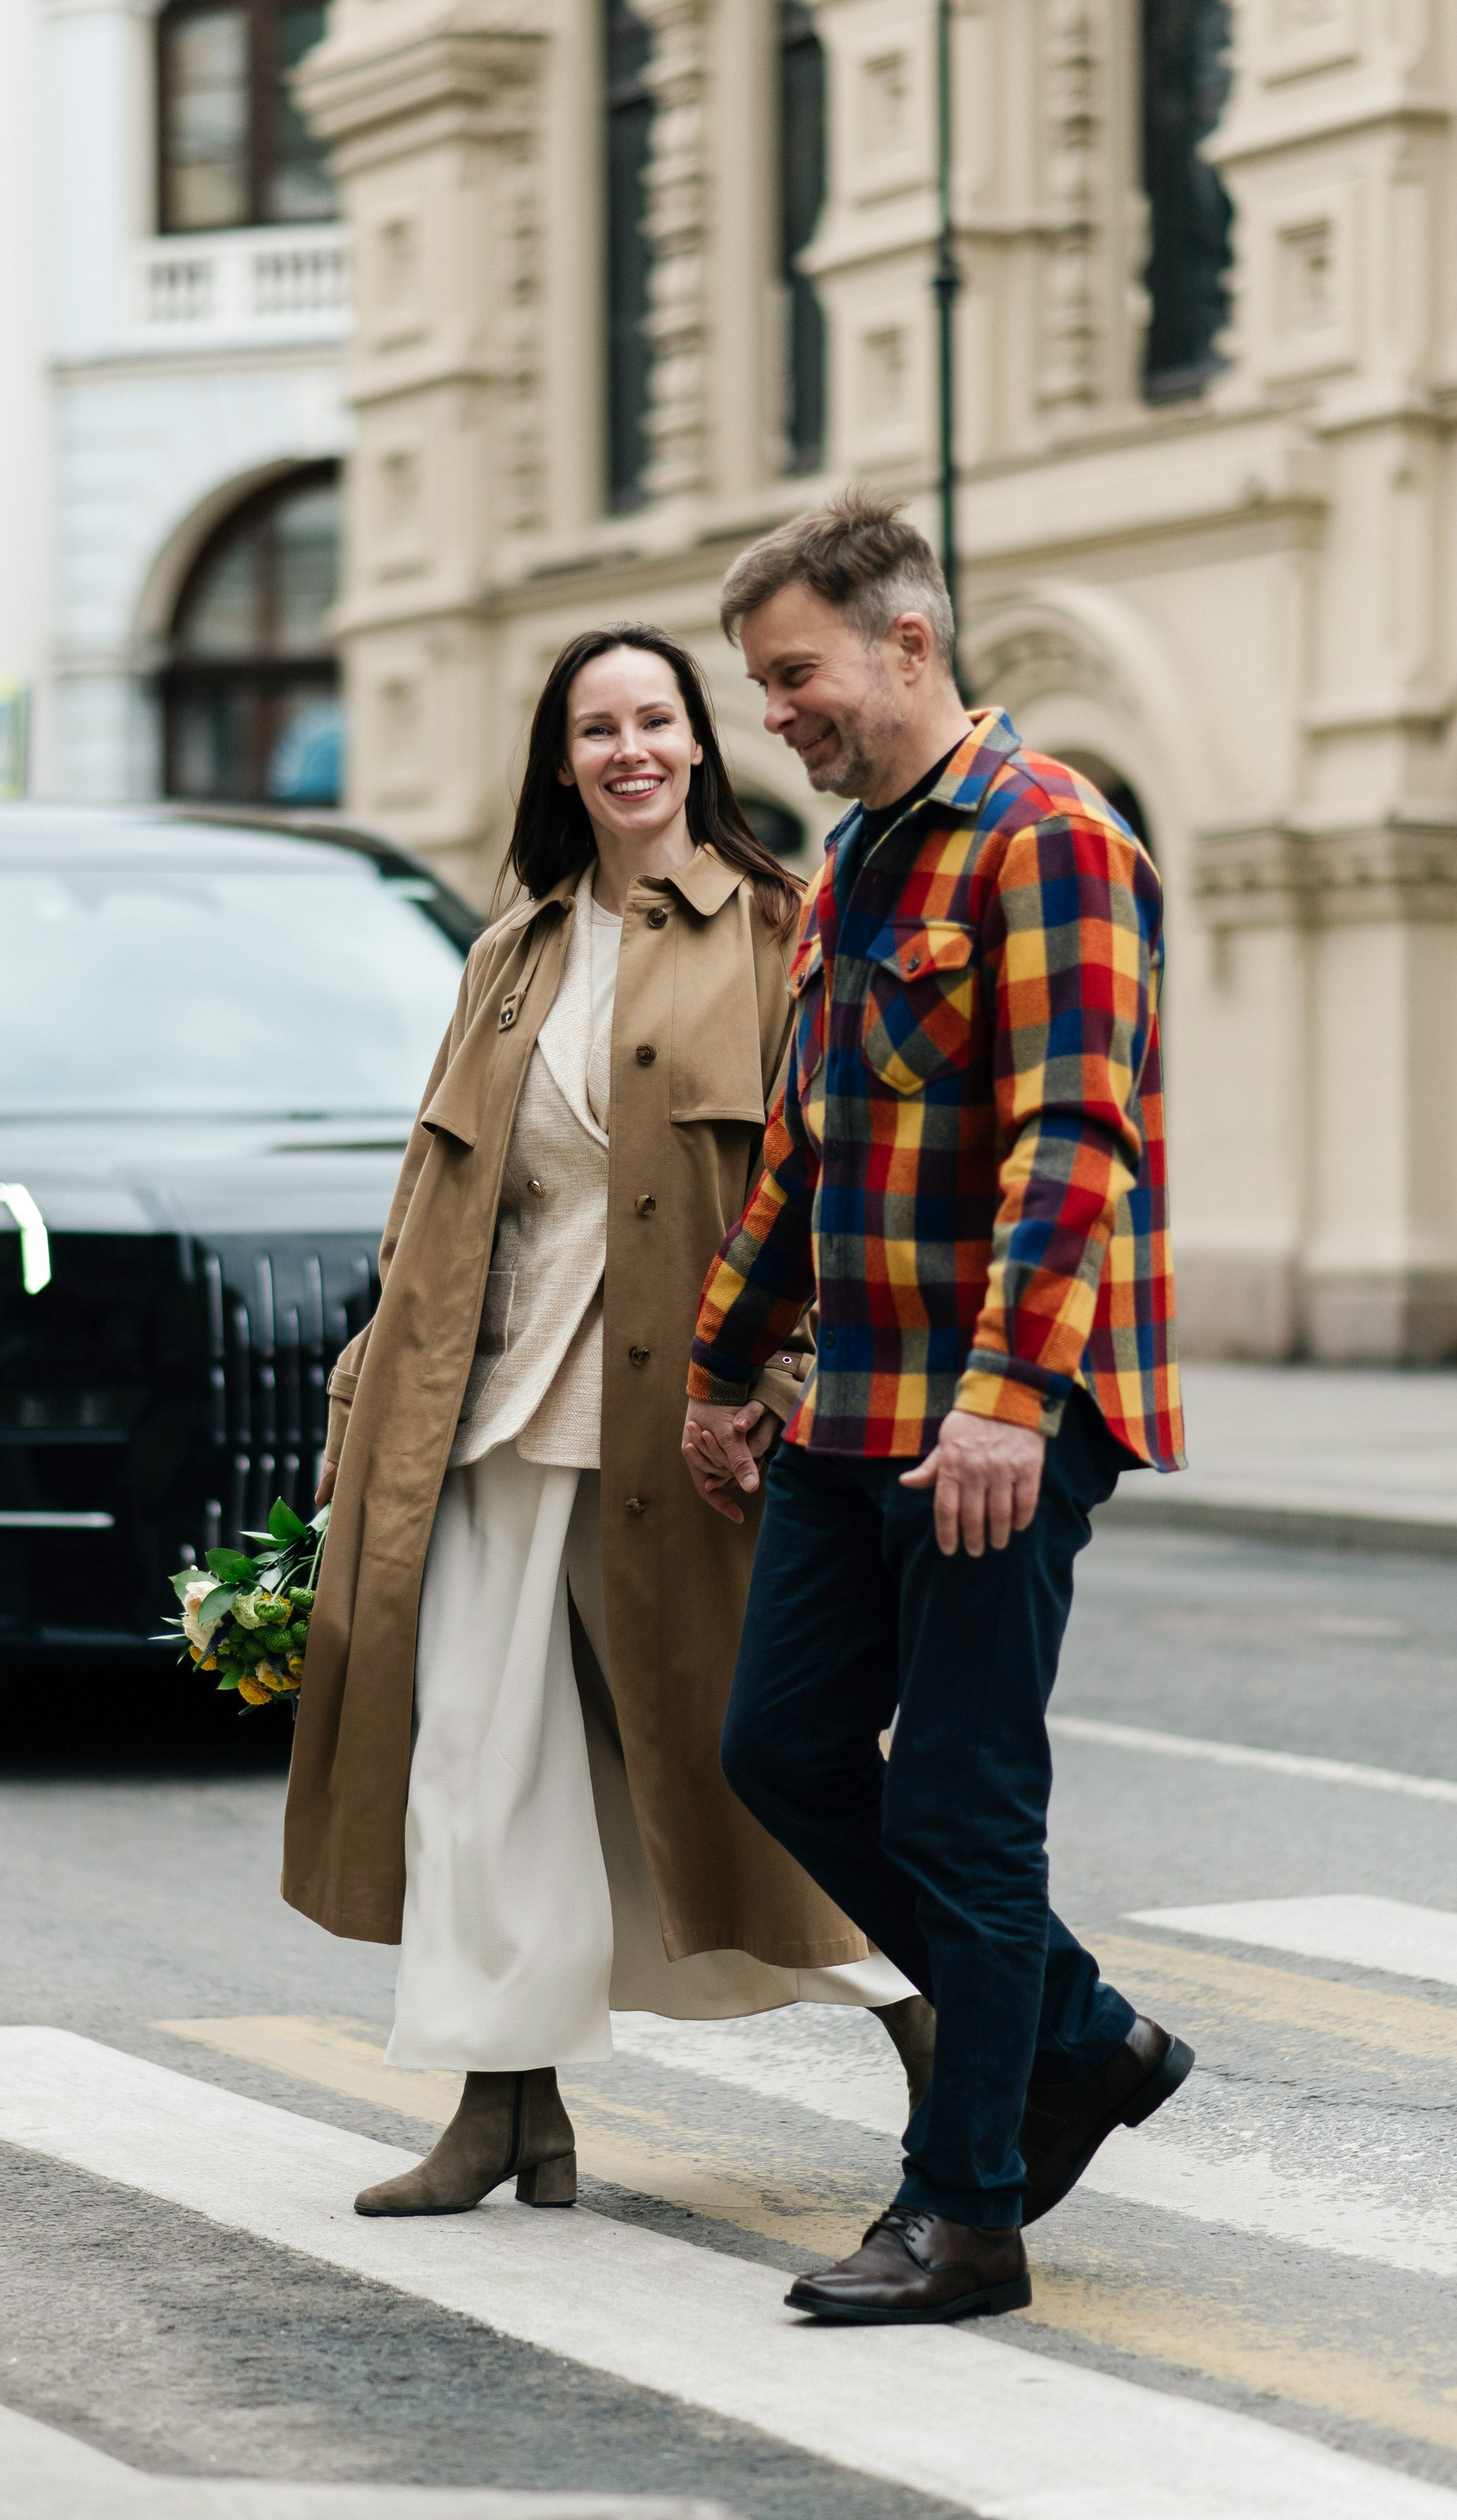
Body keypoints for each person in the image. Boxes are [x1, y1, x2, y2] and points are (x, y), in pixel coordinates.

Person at [281, 621, 935, 2217]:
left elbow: (835, 1194)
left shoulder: (780, 929)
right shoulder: (508, 954)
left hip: (692, 1435)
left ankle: (955, 2042)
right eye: (598, 727)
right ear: (560, 760)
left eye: (656, 719)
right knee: (478, 1772)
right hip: (493, 1427)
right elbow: (429, 1219)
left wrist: (793, 1392)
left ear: (699, 745)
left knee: (748, 1774)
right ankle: (504, 2108)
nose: (630, 749)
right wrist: (359, 1413)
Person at [681, 490, 1191, 2326]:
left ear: (909, 642)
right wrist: (724, 1365)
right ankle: (1078, 2036)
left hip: (993, 1413)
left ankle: (964, 2213)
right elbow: (808, 1155)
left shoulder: (1047, 839)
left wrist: (1003, 1403)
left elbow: (1076, 1142)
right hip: (854, 1404)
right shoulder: (850, 866)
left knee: (968, 1807)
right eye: (759, 686)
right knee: (780, 1751)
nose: (775, 717)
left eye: (793, 675)